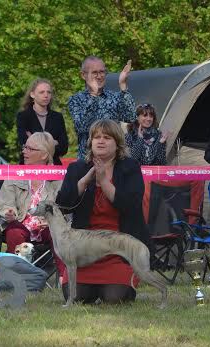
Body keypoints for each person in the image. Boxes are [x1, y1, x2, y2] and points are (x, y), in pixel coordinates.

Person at [56, 119, 149, 304]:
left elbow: (131, 205)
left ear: (117, 143)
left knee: (115, 299)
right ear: (90, 142)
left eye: (107, 137)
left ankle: (120, 283)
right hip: (84, 251)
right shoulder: (77, 168)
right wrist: (83, 181)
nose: (100, 141)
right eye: (96, 137)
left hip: (119, 249)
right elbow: (63, 205)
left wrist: (105, 182)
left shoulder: (130, 167)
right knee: (76, 298)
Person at [0, 132, 65, 277]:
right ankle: (16, 277)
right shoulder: (15, 174)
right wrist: (10, 212)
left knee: (59, 232)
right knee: (14, 232)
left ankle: (65, 279)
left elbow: (64, 208)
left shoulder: (58, 178)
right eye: (24, 147)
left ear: (44, 155)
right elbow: (4, 203)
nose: (24, 152)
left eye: (30, 149)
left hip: (48, 227)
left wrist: (51, 220)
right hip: (20, 223)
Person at [68, 56, 136, 160]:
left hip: (113, 160)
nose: (99, 76)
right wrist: (94, 96)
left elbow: (130, 117)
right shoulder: (76, 99)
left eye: (102, 72)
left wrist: (123, 86)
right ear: (83, 75)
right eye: (95, 73)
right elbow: (81, 126)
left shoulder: (114, 97)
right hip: (87, 160)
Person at [16, 78, 68, 165]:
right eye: (41, 92)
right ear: (32, 94)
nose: (46, 95)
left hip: (53, 167)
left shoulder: (57, 117)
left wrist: (35, 142)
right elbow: (24, 144)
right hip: (29, 167)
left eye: (49, 92)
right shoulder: (23, 116)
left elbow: (64, 147)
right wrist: (52, 142)